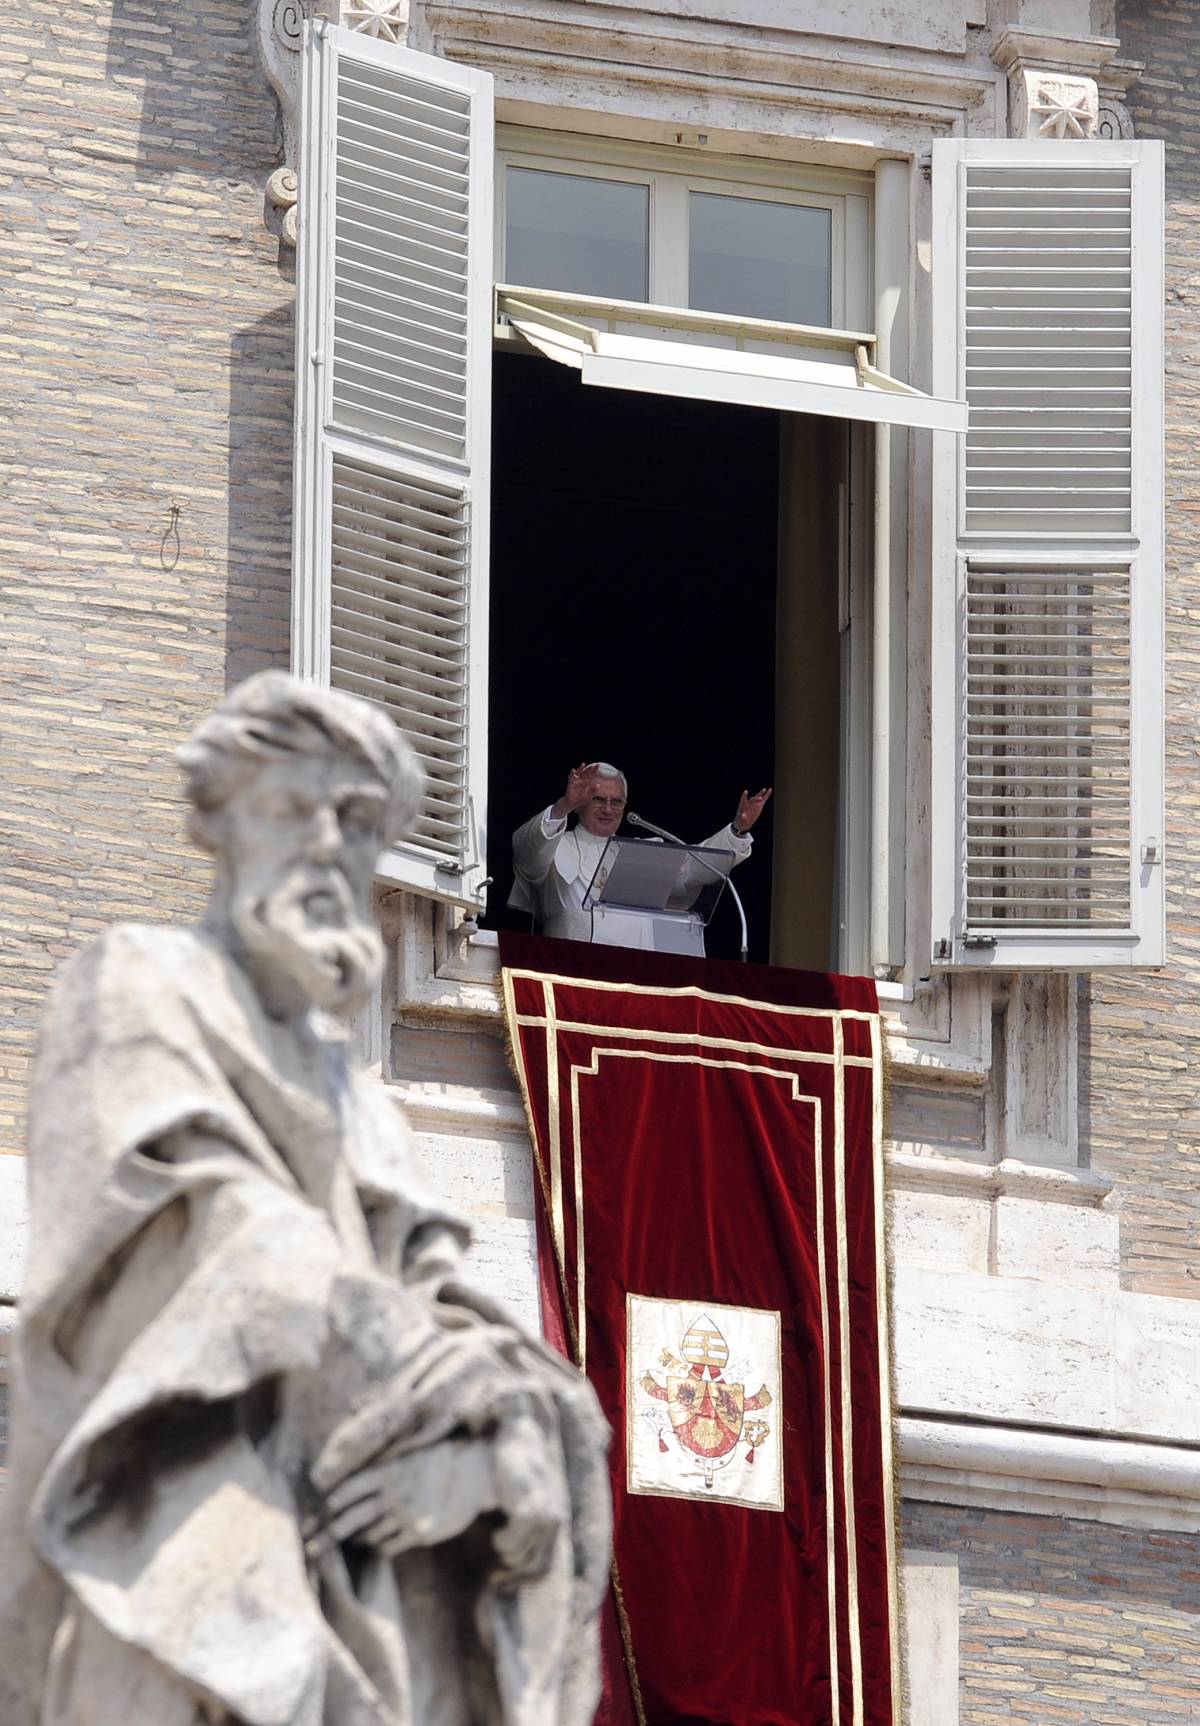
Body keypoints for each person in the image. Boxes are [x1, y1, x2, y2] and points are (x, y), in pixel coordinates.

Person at [0, 673, 611, 1726]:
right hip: (172, 1572)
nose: (331, 842)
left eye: (360, 820)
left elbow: (453, 1322)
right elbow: (226, 1243)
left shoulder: (365, 1109)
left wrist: (491, 1460)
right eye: (296, 805)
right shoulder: (139, 986)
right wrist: (453, 1393)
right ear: (221, 820)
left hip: (355, 1600)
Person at [509, 762, 772, 943]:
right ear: (580, 804)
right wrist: (563, 805)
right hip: (569, 968)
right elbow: (526, 853)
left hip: (633, 972)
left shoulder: (642, 851)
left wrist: (737, 830)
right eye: (598, 799)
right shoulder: (554, 842)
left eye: (617, 801)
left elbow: (694, 870)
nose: (608, 809)